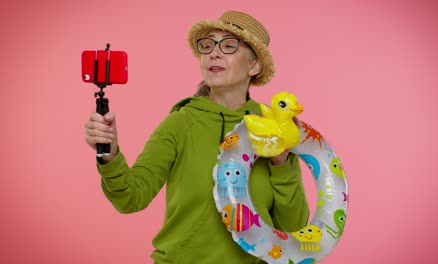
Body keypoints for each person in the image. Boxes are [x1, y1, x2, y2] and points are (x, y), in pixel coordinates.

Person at [85, 10, 309, 264]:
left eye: (229, 45)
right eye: (208, 45)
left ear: (254, 65)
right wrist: (109, 154)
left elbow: (293, 227)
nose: (214, 53)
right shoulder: (181, 123)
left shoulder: (271, 128)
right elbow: (130, 198)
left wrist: (281, 164)